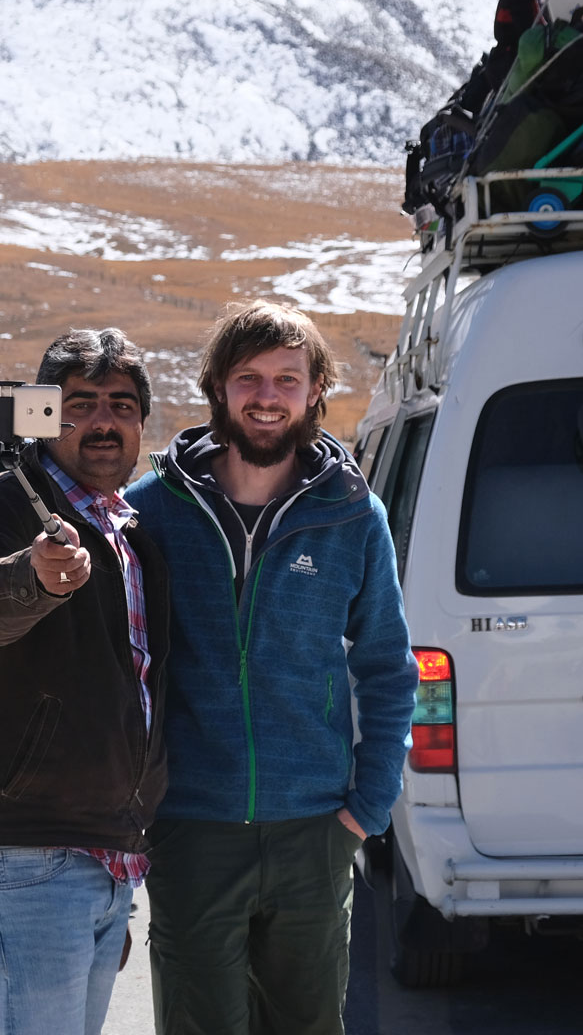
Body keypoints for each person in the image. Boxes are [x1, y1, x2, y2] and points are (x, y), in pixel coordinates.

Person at [125, 300, 418, 1035]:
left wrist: (367, 807)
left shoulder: (354, 514)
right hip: (191, 827)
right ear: (217, 388)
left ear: (317, 389)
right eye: (247, 377)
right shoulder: (147, 514)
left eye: (287, 378)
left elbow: (388, 665)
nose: (266, 396)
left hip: (314, 830)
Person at [0, 328, 171, 1035]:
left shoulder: (128, 530)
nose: (102, 421)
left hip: (108, 853)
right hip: (27, 854)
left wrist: (128, 846)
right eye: (81, 403)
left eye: (121, 405)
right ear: (43, 415)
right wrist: (31, 576)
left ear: (140, 422)